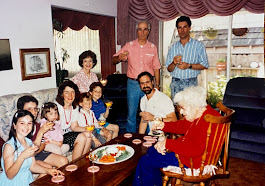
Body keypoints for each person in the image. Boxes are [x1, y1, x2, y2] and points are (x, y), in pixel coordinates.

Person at [133, 86, 222, 186]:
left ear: (194, 106)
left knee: (145, 162)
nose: (181, 112)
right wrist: (163, 125)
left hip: (194, 161)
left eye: (183, 108)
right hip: (192, 155)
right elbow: (182, 125)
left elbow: (194, 149)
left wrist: (167, 143)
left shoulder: (207, 121)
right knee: (152, 150)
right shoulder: (202, 112)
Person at [113, 20, 161, 133]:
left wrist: (157, 85)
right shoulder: (129, 46)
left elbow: (156, 67)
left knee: (149, 113)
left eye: (145, 29)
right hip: (133, 84)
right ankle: (131, 139)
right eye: (140, 29)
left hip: (148, 85)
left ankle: (150, 137)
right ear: (137, 31)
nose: (142, 32)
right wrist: (120, 57)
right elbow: (114, 60)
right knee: (131, 115)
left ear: (148, 31)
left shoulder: (153, 48)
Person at [0, 110, 63, 186]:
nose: (26, 127)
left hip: (26, 180)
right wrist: (22, 156)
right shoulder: (9, 146)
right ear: (14, 125)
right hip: (12, 182)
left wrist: (48, 170)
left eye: (29, 123)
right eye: (22, 123)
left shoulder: (28, 142)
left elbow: (33, 166)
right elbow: (10, 175)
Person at [16, 95, 68, 178]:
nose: (34, 112)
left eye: (35, 108)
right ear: (20, 110)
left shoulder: (36, 125)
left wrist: (39, 148)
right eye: (29, 109)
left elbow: (43, 144)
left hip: (38, 153)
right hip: (24, 158)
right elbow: (27, 153)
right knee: (46, 168)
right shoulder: (19, 127)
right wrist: (41, 132)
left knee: (63, 160)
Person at [166, 16, 209, 100]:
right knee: (177, 109)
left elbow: (205, 65)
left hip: (191, 83)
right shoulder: (173, 47)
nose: (182, 30)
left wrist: (189, 66)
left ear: (189, 28)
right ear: (177, 30)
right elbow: (169, 69)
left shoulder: (198, 45)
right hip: (176, 83)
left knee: (191, 110)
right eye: (179, 28)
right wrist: (173, 63)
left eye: (185, 27)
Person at [55, 80, 92, 160]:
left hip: (68, 134)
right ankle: (75, 164)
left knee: (88, 135)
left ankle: (84, 160)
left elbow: (74, 127)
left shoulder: (74, 107)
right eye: (67, 92)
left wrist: (87, 128)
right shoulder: (56, 107)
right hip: (57, 136)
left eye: (72, 92)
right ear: (62, 94)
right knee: (82, 137)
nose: (70, 95)